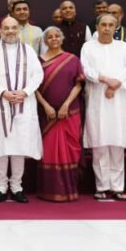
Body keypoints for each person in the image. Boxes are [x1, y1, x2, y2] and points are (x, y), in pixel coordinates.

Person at [0, 17, 44, 203]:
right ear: (0, 31)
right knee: (0, 147)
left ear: (19, 30)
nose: (10, 31)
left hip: (23, 104)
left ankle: (17, 187)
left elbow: (38, 74)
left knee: (19, 146)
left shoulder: (29, 51)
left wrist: (25, 92)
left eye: (13, 28)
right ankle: (1, 187)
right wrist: (3, 93)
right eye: (6, 28)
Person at [80, 14, 126, 201]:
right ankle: (102, 186)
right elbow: (86, 69)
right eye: (103, 24)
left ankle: (118, 187)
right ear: (97, 27)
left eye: (110, 25)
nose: (106, 28)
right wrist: (105, 80)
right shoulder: (88, 47)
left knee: (117, 144)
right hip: (97, 99)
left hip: (118, 99)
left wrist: (115, 85)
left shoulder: (122, 46)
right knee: (100, 145)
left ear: (116, 27)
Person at [35, 27, 84, 202]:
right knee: (49, 152)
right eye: (50, 37)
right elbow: (34, 88)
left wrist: (65, 105)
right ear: (45, 41)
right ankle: (49, 190)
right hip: (47, 115)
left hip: (68, 112)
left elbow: (78, 84)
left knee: (69, 151)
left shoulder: (72, 59)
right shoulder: (37, 61)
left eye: (57, 36)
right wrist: (46, 106)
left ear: (62, 39)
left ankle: (69, 190)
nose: (54, 39)